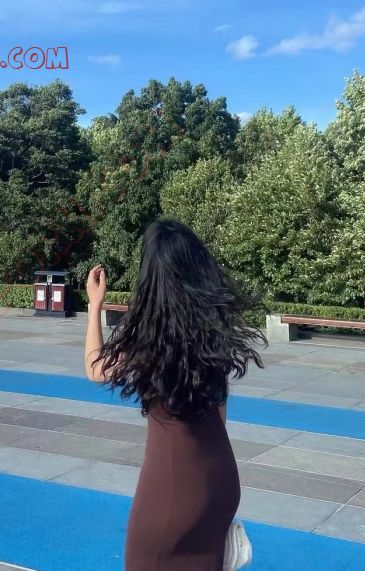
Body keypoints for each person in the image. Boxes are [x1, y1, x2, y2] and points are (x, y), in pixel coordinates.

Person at [84, 218, 268, 571]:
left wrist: (95, 306)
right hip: (219, 482)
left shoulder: (152, 342)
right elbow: (221, 413)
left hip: (172, 493)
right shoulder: (212, 334)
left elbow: (97, 369)